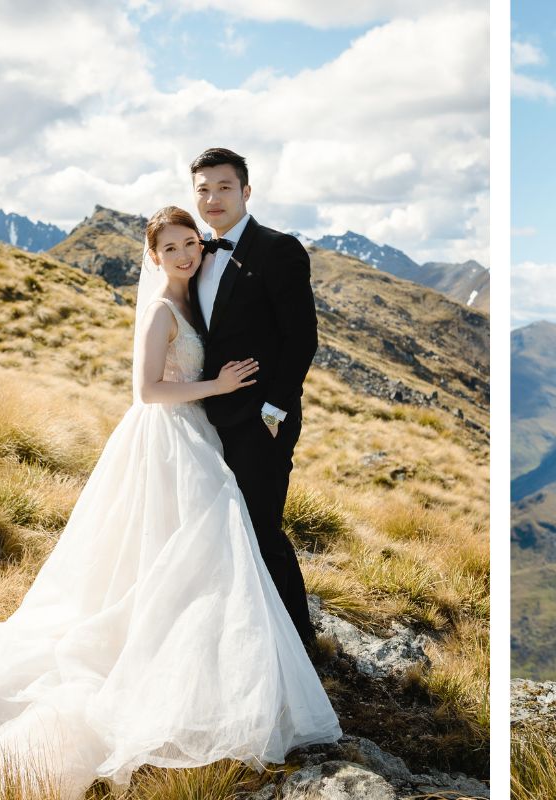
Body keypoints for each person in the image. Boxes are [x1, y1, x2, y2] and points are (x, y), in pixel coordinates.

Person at [0, 207, 341, 799]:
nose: (186, 254)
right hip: (166, 439)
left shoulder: (196, 297)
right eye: (172, 247)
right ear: (153, 257)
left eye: (191, 243)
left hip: (200, 435)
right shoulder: (161, 309)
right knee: (189, 545)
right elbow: (147, 390)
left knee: (198, 551)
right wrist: (216, 385)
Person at [187, 147, 321, 648]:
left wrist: (275, 408)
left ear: (245, 191)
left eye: (224, 187)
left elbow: (301, 338)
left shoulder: (279, 249)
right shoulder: (196, 252)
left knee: (262, 529)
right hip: (207, 417)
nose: (213, 198)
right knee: (222, 533)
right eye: (203, 189)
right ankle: (242, 638)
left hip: (262, 420)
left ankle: (297, 647)